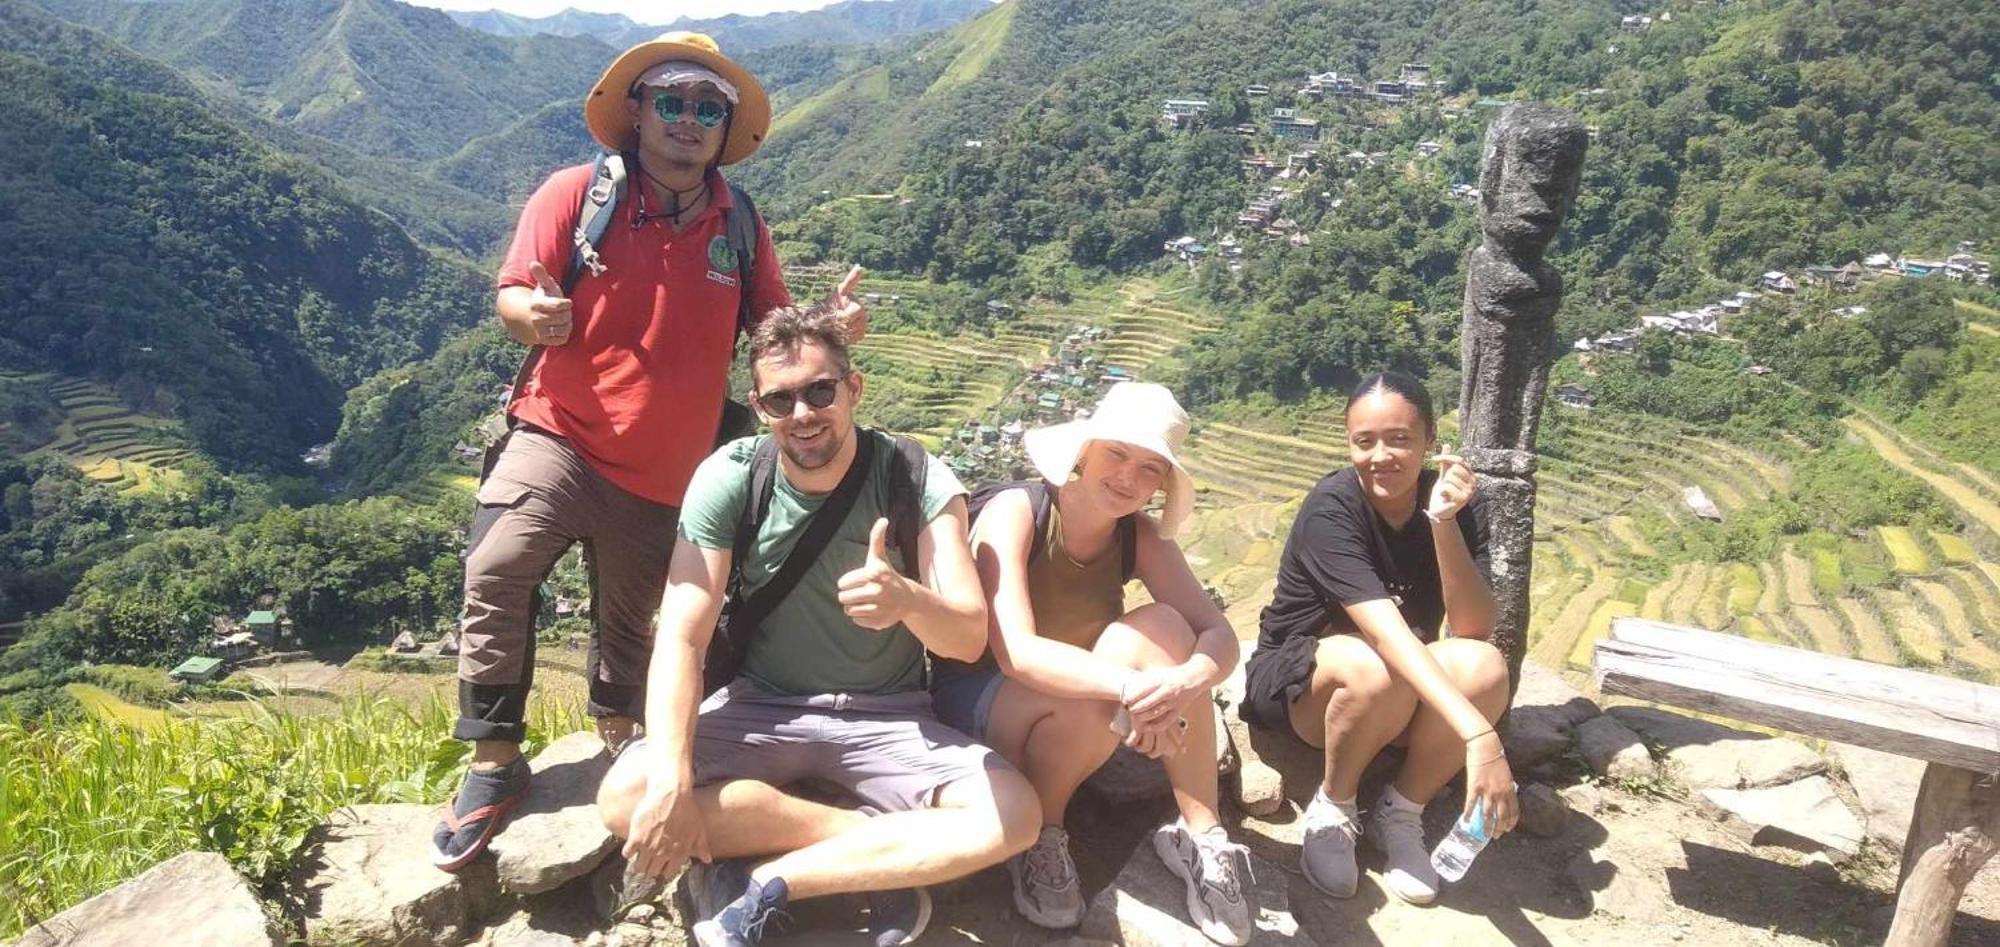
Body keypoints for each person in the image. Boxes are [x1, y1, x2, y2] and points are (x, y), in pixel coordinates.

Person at [432, 30, 869, 872]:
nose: (689, 120)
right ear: (636, 111)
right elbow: (516, 290)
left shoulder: (738, 224)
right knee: (499, 565)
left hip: (668, 471)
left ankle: (618, 744)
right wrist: (532, 316)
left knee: (629, 623)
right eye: (671, 100)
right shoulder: (576, 193)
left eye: (710, 107)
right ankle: (493, 761)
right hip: (556, 431)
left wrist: (831, 333)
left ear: (723, 128)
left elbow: (771, 333)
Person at [597, 304, 1040, 947]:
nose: (802, 414)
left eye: (820, 391)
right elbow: (683, 635)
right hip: (764, 703)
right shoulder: (731, 478)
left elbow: (968, 635)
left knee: (1017, 816)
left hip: (889, 713)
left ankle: (774, 882)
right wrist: (669, 776)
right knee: (627, 799)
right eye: (781, 400)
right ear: (759, 405)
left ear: (853, 388)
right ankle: (874, 849)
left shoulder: (917, 476)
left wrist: (909, 602)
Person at [931, 383, 1250, 944]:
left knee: (1171, 629)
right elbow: (1017, 652)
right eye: (1118, 455)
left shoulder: (1139, 536)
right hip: (985, 699)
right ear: (1085, 450)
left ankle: (1203, 836)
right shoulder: (1020, 511)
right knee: (1107, 687)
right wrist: (1136, 690)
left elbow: (1217, 633)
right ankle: (1042, 836)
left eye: (1150, 469)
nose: (1129, 477)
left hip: (1085, 699)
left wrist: (1184, 681)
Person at [1239, 371, 1517, 906]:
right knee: (1376, 664)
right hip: (1306, 685)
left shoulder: (1458, 503)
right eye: (1364, 442)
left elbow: (1474, 627)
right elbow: (1385, 635)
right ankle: (1334, 806)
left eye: (1400, 439)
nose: (1380, 456)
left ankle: (1402, 812)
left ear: (1430, 440)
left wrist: (1442, 524)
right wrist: (1482, 737)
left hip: (1394, 691)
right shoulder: (1332, 507)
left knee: (1485, 666)